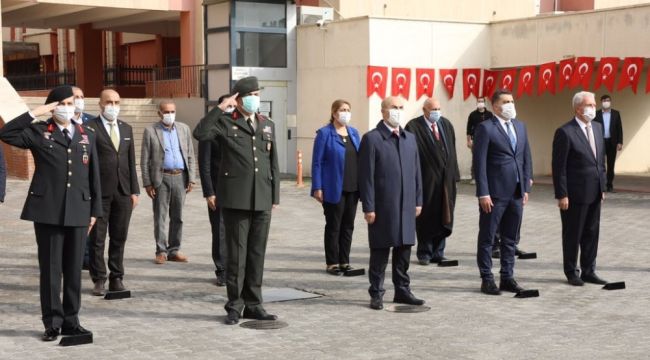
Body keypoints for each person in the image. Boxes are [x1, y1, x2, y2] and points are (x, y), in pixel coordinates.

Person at [0, 85, 101, 342]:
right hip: (48, 211)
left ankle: (72, 321)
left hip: (79, 209)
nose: (70, 107)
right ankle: (52, 322)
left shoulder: (86, 133)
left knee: (73, 269)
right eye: (65, 102)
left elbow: (94, 177)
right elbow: (7, 133)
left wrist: (94, 211)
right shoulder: (39, 132)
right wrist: (36, 112)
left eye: (74, 102)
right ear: (54, 106)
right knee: (51, 270)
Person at [193, 76, 280, 325]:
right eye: (251, 94)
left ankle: (254, 304)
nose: (256, 98)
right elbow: (201, 133)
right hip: (235, 199)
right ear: (239, 99)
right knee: (237, 256)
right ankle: (234, 305)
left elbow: (272, 162)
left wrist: (274, 195)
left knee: (256, 254)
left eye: (257, 94)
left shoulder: (266, 124)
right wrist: (221, 107)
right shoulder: (224, 122)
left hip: (261, 197)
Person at [359, 96, 424, 310]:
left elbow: (416, 173)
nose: (398, 111)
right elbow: (366, 177)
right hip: (383, 206)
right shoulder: (373, 138)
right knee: (380, 250)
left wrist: (418, 200)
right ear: (383, 112)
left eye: (401, 107)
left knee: (404, 248)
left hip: (406, 205)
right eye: (393, 107)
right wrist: (368, 206)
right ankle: (376, 292)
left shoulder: (409, 138)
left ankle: (402, 290)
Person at [473, 89, 532, 296]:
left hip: (516, 192)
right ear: (496, 106)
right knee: (488, 238)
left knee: (510, 239)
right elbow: (479, 163)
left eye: (512, 100)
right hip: (495, 194)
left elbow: (525, 157)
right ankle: (487, 279)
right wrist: (483, 193)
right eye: (507, 101)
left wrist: (526, 186)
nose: (511, 104)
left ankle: (507, 277)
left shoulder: (520, 126)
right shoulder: (486, 128)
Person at [87, 89, 140, 296]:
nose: (113, 105)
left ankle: (116, 277)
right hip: (99, 192)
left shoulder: (126, 128)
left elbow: (130, 161)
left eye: (117, 102)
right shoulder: (90, 128)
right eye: (109, 102)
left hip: (123, 191)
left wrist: (134, 190)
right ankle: (99, 278)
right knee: (98, 238)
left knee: (119, 236)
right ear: (100, 103)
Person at [552, 91, 608, 286]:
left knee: (592, 232)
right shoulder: (565, 132)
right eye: (590, 105)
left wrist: (603, 186)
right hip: (574, 194)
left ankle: (589, 270)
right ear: (578, 108)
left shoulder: (598, 128)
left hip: (594, 190)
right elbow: (559, 167)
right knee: (573, 234)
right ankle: (571, 271)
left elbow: (600, 161)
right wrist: (562, 194)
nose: (594, 108)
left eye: (594, 105)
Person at [405, 98, 459, 266]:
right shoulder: (413, 127)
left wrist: (454, 175)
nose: (436, 111)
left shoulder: (446, 125)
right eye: (433, 109)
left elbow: (452, 150)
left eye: (438, 108)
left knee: (445, 214)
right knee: (427, 217)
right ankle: (425, 252)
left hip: (446, 181)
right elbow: (410, 155)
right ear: (424, 110)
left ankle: (439, 252)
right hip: (426, 181)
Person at [141, 100, 196, 264]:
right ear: (159, 113)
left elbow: (191, 155)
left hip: (180, 176)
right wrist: (147, 183)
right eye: (166, 112)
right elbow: (145, 160)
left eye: (172, 111)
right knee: (160, 216)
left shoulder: (184, 128)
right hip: (161, 178)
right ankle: (161, 251)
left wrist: (191, 178)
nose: (170, 115)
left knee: (178, 216)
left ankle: (174, 250)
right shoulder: (150, 131)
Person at [311, 99, 361, 276]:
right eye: (342, 110)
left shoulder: (354, 133)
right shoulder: (324, 134)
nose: (345, 113)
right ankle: (332, 262)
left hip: (353, 187)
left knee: (348, 225)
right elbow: (317, 162)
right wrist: (317, 186)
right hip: (333, 187)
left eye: (348, 109)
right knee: (334, 225)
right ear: (334, 113)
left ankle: (344, 261)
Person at [198, 94, 230, 286]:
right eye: (227, 106)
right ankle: (222, 269)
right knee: (220, 231)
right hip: (217, 189)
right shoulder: (210, 129)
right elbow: (205, 164)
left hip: (236, 189)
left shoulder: (236, 127)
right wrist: (209, 192)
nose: (231, 109)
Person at [72, 86, 94, 270]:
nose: (79, 100)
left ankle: (87, 257)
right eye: (75, 97)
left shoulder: (92, 122)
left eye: (81, 96)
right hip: (71, 181)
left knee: (89, 222)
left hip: (90, 181)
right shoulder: (56, 123)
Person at [593, 94, 623, 192]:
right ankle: (601, 185)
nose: (607, 102)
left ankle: (609, 185)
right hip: (600, 142)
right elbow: (593, 128)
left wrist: (620, 142)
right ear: (601, 102)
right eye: (605, 100)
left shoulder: (616, 113)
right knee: (600, 164)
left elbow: (619, 128)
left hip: (612, 141)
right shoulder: (596, 114)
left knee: (611, 164)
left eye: (608, 100)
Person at [466, 97, 492, 185]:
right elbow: (469, 129)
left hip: (488, 140)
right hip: (476, 139)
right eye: (479, 101)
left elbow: (493, 127)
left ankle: (487, 177)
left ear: (484, 103)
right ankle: (474, 177)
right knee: (476, 159)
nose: (480, 103)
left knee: (488, 158)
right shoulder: (472, 115)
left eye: (482, 101)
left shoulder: (489, 114)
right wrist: (469, 141)